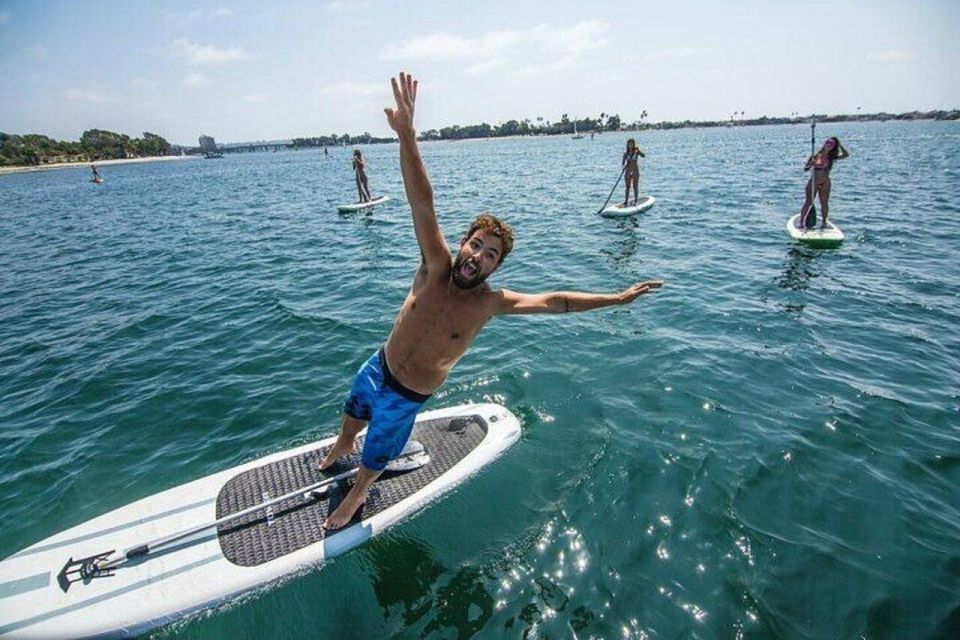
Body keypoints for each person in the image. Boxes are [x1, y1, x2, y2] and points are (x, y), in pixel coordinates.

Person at [319, 72, 664, 529]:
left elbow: (556, 302)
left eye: (490, 254)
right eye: (476, 244)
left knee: (379, 447)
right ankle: (343, 444)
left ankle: (358, 493)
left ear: (495, 268)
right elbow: (423, 202)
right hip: (380, 364)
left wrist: (616, 298)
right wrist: (407, 137)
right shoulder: (433, 265)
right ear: (463, 243)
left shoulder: (490, 302)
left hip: (409, 393)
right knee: (353, 411)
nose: (478, 256)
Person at [799, 136, 849, 228]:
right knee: (808, 202)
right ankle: (801, 222)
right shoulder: (815, 155)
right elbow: (805, 169)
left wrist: (839, 145)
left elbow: (846, 155)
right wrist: (811, 164)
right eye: (828, 143)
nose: (829, 145)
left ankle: (824, 222)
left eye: (832, 144)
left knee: (824, 203)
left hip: (825, 183)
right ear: (825, 143)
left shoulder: (831, 157)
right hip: (813, 182)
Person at [622, 139, 646, 206]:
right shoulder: (625, 154)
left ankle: (636, 200)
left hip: (635, 171)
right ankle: (626, 201)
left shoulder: (636, 151)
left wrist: (639, 151)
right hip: (628, 171)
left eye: (632, 144)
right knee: (627, 187)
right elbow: (623, 163)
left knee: (635, 186)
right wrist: (624, 166)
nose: (630, 145)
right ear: (627, 145)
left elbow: (643, 156)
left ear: (633, 144)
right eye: (629, 144)